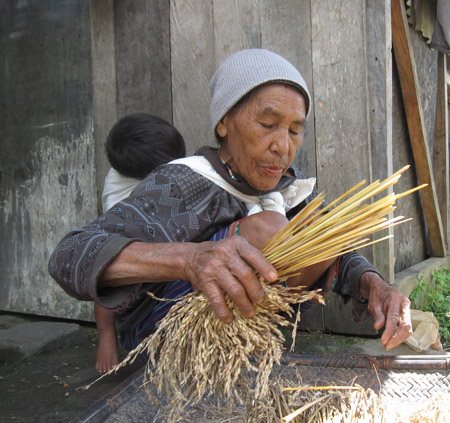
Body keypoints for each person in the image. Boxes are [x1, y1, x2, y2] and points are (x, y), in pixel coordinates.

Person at [48, 48, 412, 354]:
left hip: (238, 341)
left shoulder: (287, 184)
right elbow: (70, 254)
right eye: (267, 124)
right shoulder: (182, 183)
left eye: (294, 130)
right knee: (266, 230)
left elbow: (335, 248)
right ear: (224, 123)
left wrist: (374, 285)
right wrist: (190, 259)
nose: (282, 146)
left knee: (323, 226)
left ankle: (243, 349)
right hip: (156, 338)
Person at [95, 113, 187, 373]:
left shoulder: (149, 164)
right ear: (151, 176)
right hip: (139, 312)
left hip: (162, 277)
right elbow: (104, 280)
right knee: (105, 263)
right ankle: (107, 336)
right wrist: (106, 337)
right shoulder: (121, 210)